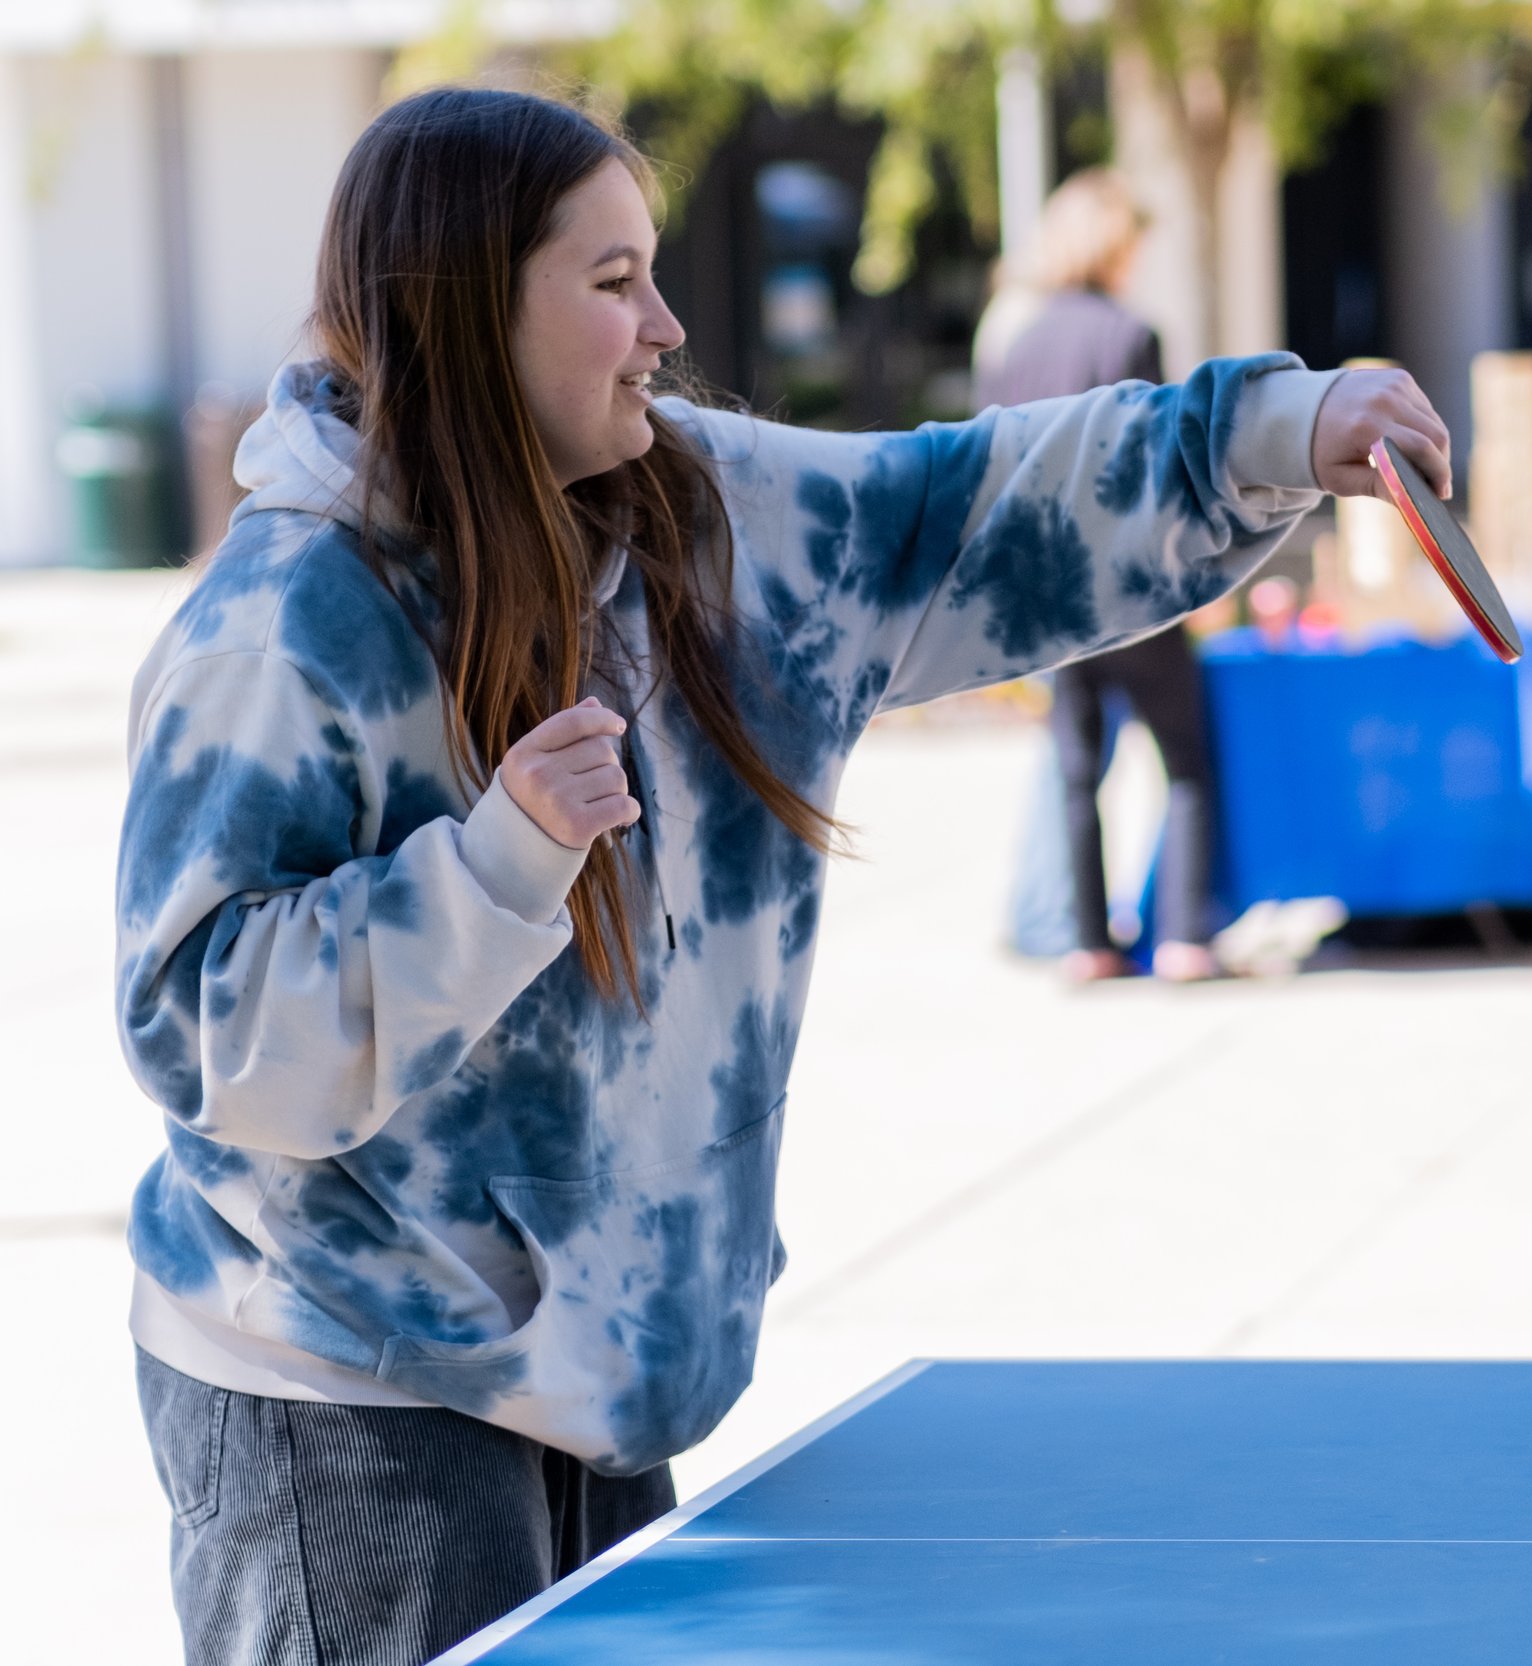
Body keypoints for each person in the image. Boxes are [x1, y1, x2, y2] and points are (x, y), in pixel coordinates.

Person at [116, 88, 1450, 1666]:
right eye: (613, 284)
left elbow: (953, 510)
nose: (668, 325)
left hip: (599, 1374)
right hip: (342, 1390)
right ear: (469, 309)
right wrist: (494, 870)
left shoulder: (702, 517)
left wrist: (1280, 429)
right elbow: (209, 1034)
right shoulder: (286, 622)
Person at [974, 170, 1220, 983]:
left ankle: (1091, 943)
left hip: (1049, 586)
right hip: (1131, 582)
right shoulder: (1130, 334)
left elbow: (995, 464)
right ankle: (1184, 937)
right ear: (1117, 245)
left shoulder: (1019, 340)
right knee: (1185, 759)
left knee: (1079, 769)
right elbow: (1157, 470)